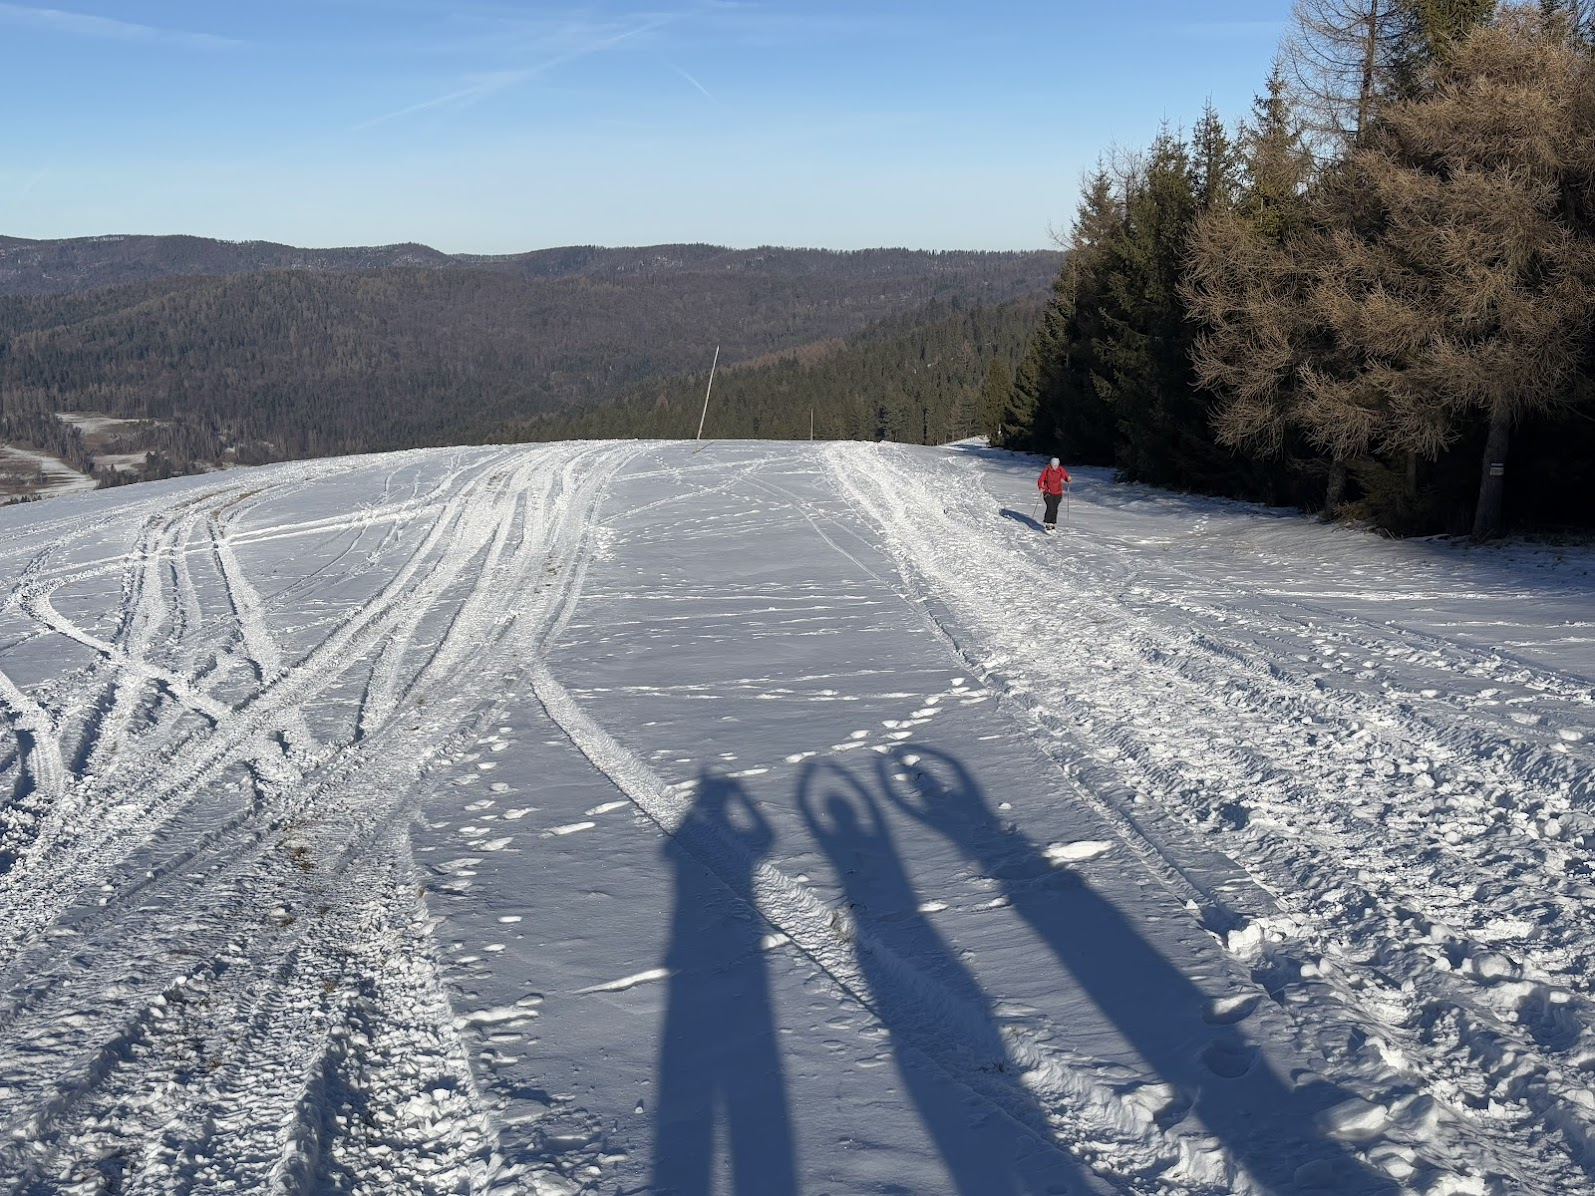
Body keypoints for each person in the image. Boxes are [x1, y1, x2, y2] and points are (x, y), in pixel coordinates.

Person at [1036, 457, 1070, 532]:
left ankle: (1053, 523)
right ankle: (1048, 522)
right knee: (1050, 506)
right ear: (1051, 464)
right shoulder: (1047, 470)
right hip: (1048, 492)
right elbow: (1041, 479)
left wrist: (1068, 478)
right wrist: (1041, 487)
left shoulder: (1060, 469)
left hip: (1058, 492)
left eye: (1056, 465)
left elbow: (1065, 476)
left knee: (1055, 507)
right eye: (1054, 465)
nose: (1055, 467)